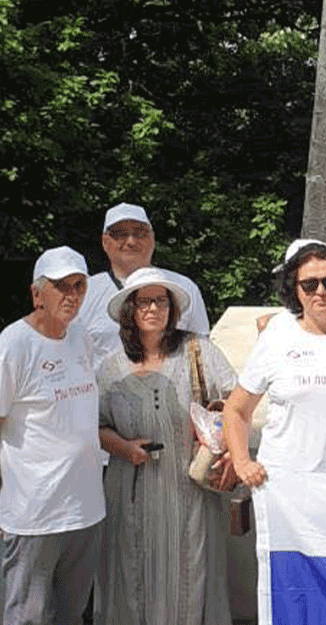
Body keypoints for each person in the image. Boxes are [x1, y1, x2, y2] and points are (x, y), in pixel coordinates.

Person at [95, 267, 236, 624]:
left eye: (161, 300)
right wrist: (124, 448)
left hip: (188, 488)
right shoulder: (110, 368)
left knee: (191, 569)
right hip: (132, 489)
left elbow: (237, 401)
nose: (154, 308)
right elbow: (94, 427)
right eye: (145, 300)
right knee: (133, 571)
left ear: (172, 308)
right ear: (130, 309)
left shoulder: (198, 351)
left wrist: (225, 438)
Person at [225, 242, 326, 487]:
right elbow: (236, 410)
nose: (321, 291)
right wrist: (242, 462)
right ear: (295, 289)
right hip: (283, 487)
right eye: (310, 284)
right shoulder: (274, 338)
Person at [0, 247, 104, 624]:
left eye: (79, 286)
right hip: (34, 513)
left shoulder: (81, 337)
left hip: (86, 508)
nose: (72, 295)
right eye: (61, 286)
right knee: (27, 617)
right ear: (36, 294)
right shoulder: (13, 344)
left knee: (71, 616)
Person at [74, 202, 210, 366]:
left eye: (140, 233)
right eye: (120, 234)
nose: (131, 241)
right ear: (105, 242)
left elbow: (202, 352)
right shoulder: (84, 293)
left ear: (152, 239)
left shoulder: (183, 288)